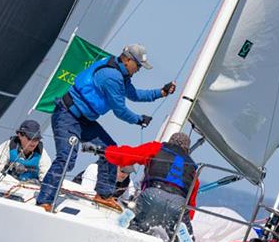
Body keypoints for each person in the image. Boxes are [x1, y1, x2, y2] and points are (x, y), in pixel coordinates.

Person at [36, 44, 176, 211]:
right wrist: (139, 120)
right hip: (67, 116)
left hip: (85, 121)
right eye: (138, 65)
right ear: (128, 60)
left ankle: (103, 195)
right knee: (66, 159)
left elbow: (135, 95)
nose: (138, 69)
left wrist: (161, 93)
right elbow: (120, 111)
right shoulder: (112, 77)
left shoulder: (122, 74)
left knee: (110, 150)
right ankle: (44, 201)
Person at [84, 132, 199, 237]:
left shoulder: (156, 148)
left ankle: (126, 227)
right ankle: (184, 238)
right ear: (187, 149)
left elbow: (128, 154)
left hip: (152, 195)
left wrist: (103, 151)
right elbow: (191, 202)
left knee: (136, 228)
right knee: (178, 237)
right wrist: (186, 217)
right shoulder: (193, 168)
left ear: (170, 141)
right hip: (179, 205)